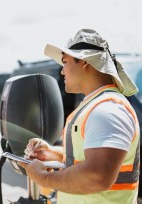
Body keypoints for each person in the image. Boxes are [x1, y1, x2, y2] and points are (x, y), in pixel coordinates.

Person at [18, 29, 140, 204]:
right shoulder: (97, 105)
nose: (62, 72)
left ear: (84, 62)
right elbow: (86, 158)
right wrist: (52, 152)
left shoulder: (107, 110)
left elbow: (97, 176)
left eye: (65, 62)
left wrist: (42, 177)